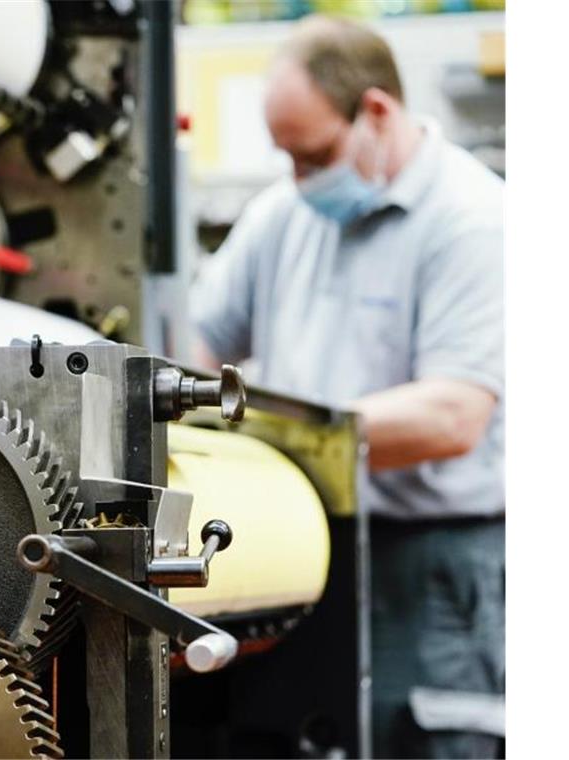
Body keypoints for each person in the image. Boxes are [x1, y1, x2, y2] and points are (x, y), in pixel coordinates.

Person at [189, 15, 504, 759]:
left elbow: (453, 415)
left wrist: (262, 432)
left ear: (378, 112)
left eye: (317, 154)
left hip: (431, 562)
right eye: (288, 158)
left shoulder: (473, 223)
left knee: (424, 743)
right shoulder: (280, 216)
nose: (302, 178)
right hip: (298, 539)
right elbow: (193, 351)